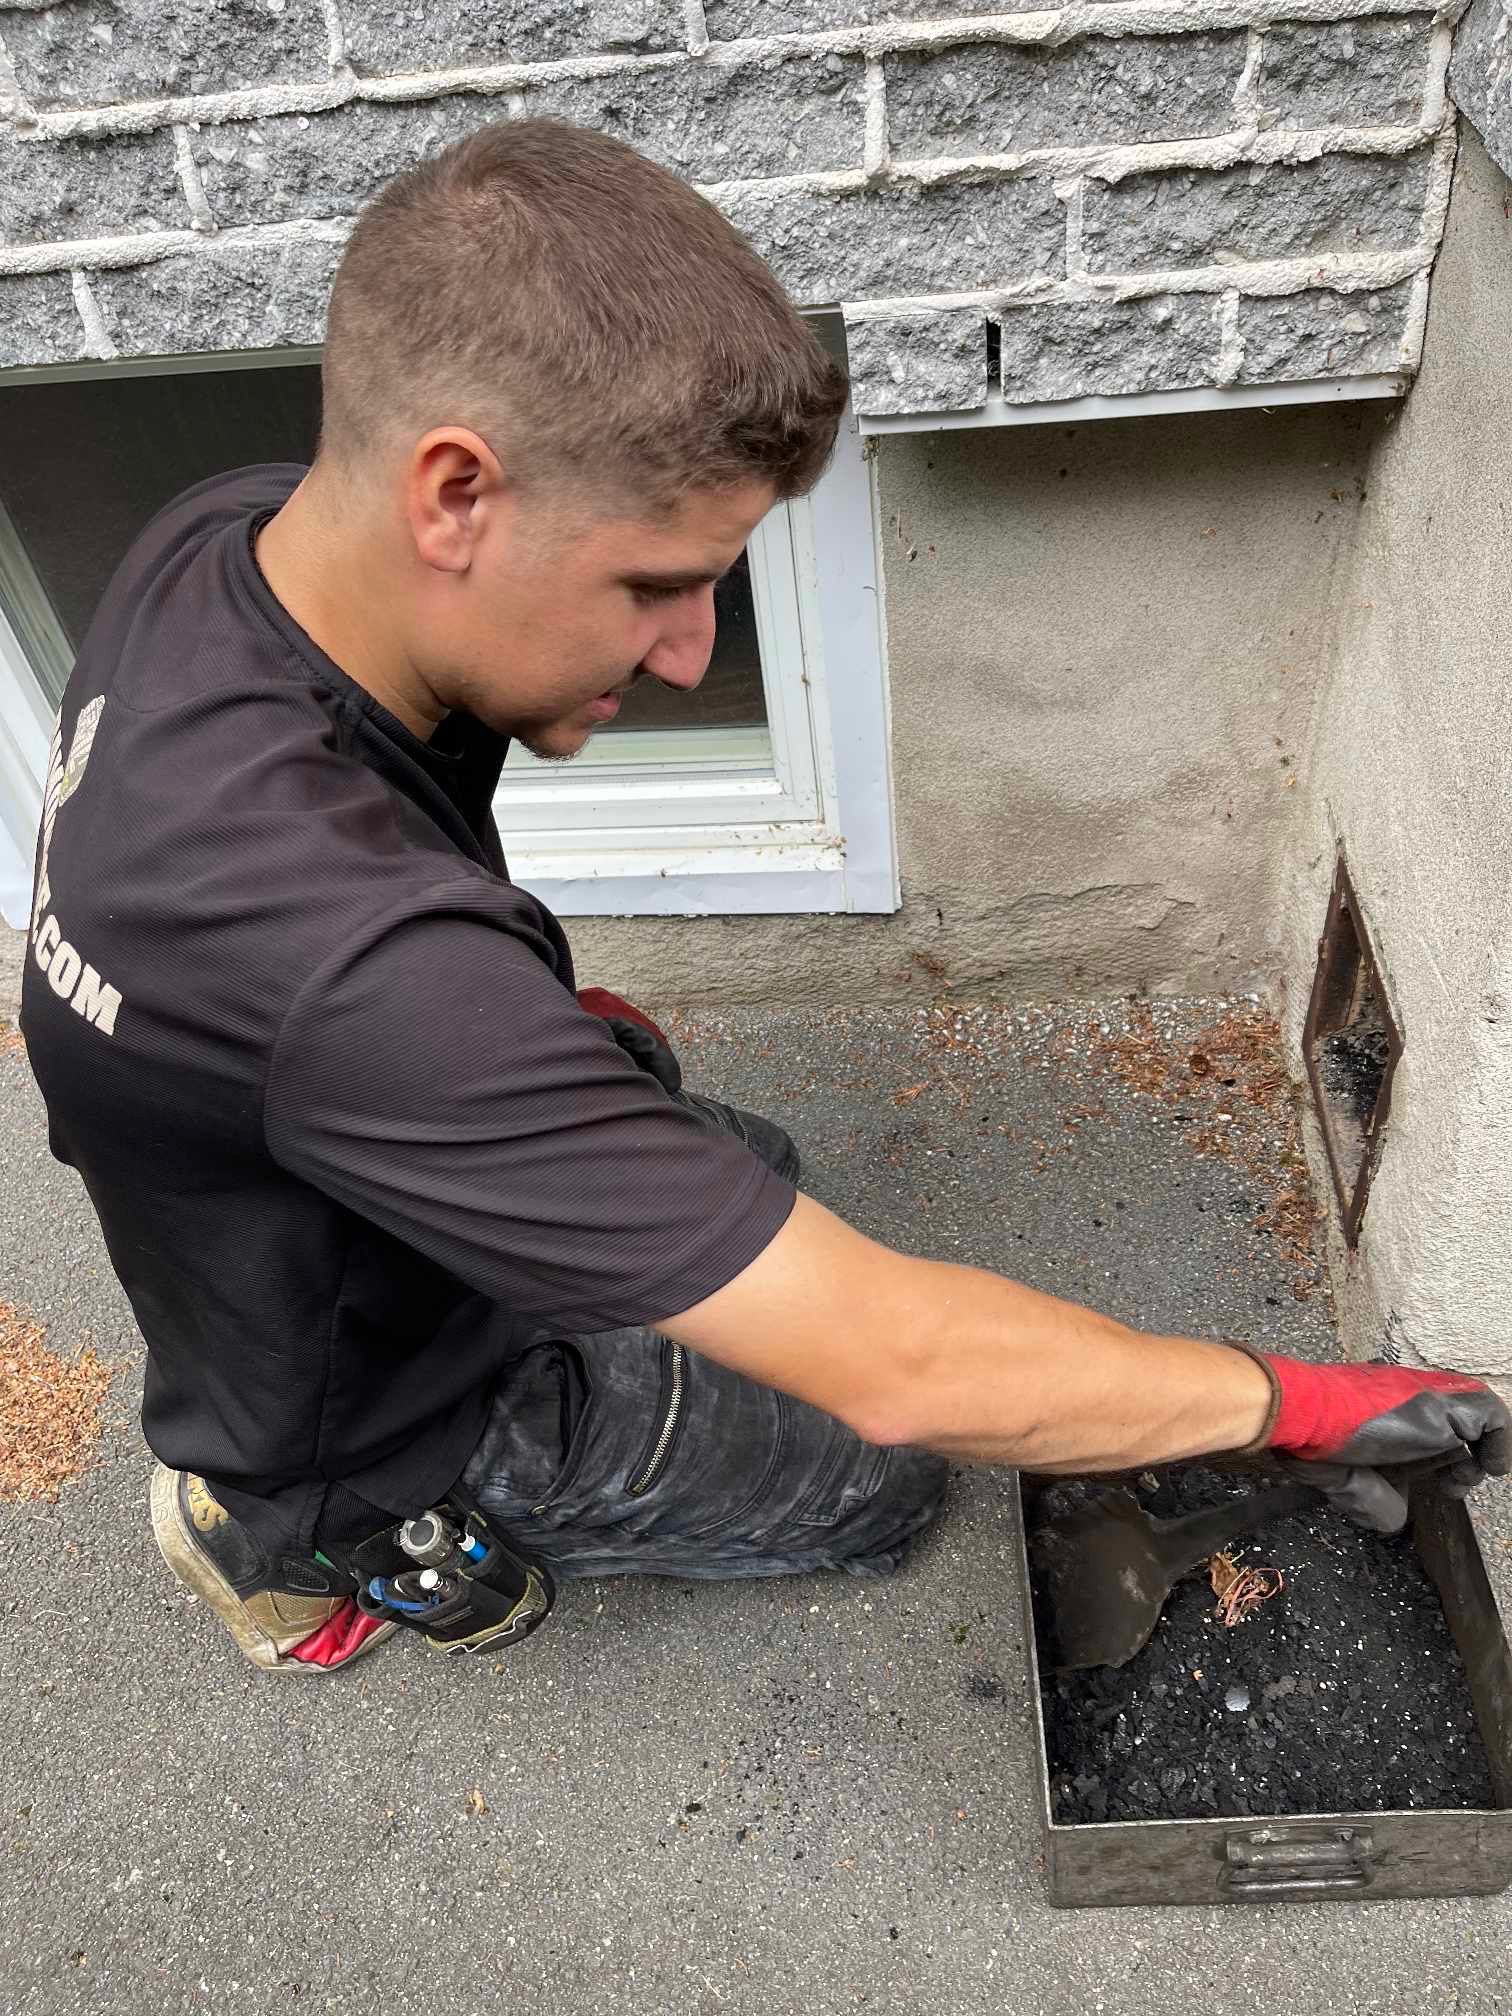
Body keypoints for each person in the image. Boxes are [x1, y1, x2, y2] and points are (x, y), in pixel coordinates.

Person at [20, 121, 1509, 1675]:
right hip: (374, 1395)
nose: (687, 653)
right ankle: (301, 1539)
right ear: (453, 494)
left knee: (742, 1152)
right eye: (654, 582)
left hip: (295, 1179)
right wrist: (1304, 1406)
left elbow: (337, 968)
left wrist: (512, 1040)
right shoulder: (358, 979)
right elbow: (902, 1365)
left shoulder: (231, 542)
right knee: (884, 1481)